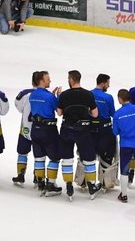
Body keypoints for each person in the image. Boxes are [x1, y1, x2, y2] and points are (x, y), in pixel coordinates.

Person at [56, 70, 101, 200]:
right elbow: (95, 114)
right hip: (83, 130)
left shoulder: (64, 95)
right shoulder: (88, 95)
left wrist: (59, 98)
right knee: (88, 159)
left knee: (67, 158)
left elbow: (59, 113)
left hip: (67, 130)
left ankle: (69, 186)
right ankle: (92, 186)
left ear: (71, 79)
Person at [28, 70, 64, 196]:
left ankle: (40, 183)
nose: (50, 81)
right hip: (48, 130)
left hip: (35, 130)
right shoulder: (49, 97)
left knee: (39, 157)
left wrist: (51, 96)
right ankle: (50, 184)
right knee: (55, 157)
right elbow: (59, 112)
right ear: (41, 81)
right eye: (48, 79)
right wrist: (58, 97)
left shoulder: (32, 95)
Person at [91, 74, 118, 190]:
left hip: (91, 130)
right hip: (105, 130)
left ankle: (85, 181)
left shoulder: (89, 94)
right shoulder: (108, 97)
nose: (109, 85)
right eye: (108, 83)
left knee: (88, 156)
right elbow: (113, 114)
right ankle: (105, 182)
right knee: (107, 156)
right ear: (103, 83)